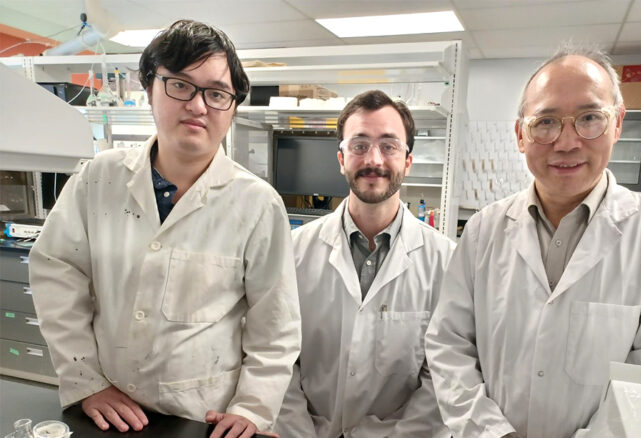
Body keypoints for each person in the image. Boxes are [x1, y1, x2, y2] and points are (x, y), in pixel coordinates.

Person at [28, 20, 301, 438]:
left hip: (201, 418)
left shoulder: (258, 203)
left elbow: (275, 327)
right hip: (108, 409)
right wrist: (88, 382)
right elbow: (56, 275)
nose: (198, 105)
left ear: (232, 107)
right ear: (149, 87)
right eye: (180, 85)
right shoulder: (97, 179)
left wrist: (251, 409)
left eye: (216, 93)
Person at [424, 46, 641, 437]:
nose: (566, 142)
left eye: (589, 118)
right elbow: (449, 346)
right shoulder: (483, 230)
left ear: (617, 124)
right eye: (546, 122)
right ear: (521, 135)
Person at [276, 90, 454, 438]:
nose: (374, 159)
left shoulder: (445, 261)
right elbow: (279, 357)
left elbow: (444, 376)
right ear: (341, 158)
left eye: (389, 146)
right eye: (359, 145)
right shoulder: (294, 251)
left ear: (407, 161)